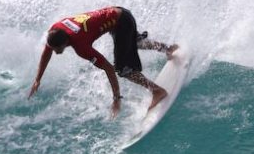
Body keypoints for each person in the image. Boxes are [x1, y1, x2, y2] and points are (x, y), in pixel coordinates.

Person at [28, 6, 178, 118]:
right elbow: (47, 51)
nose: (55, 52)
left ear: (65, 42)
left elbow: (108, 68)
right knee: (135, 43)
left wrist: (116, 99)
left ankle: (157, 91)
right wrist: (37, 79)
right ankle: (168, 49)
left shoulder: (80, 46)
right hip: (119, 13)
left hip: (121, 22)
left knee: (124, 70)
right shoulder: (56, 30)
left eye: (57, 49)